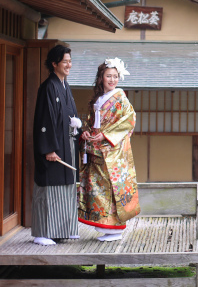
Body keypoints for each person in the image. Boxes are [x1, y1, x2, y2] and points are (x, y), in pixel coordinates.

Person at [78, 58, 140, 241]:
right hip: (96, 149)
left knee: (112, 188)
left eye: (115, 76)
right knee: (99, 188)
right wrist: (87, 133)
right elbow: (92, 123)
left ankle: (116, 228)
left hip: (112, 151)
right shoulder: (98, 99)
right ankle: (106, 225)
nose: (112, 80)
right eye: (108, 76)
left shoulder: (120, 97)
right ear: (101, 78)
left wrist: (105, 135)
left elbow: (129, 120)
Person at [32, 44, 82, 245]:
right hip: (53, 148)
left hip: (66, 144)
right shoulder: (48, 86)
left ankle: (61, 230)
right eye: (65, 61)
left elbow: (69, 114)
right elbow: (44, 120)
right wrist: (49, 149)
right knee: (49, 189)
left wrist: (77, 124)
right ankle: (43, 233)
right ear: (54, 63)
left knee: (65, 188)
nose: (69, 65)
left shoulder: (64, 85)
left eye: (70, 61)